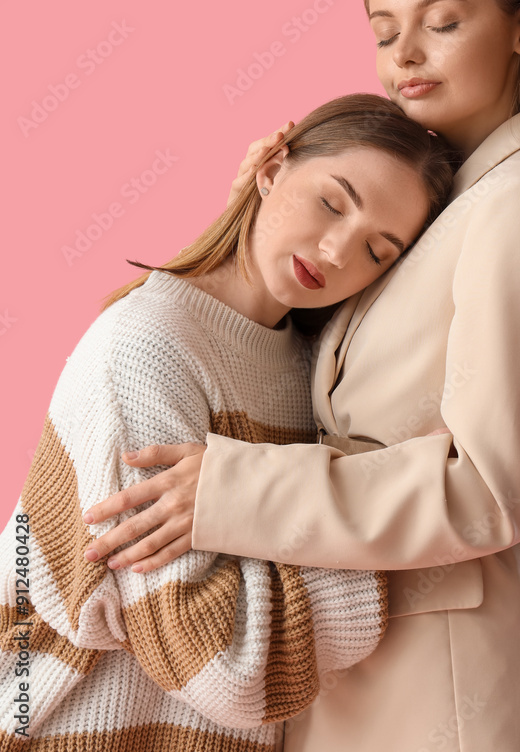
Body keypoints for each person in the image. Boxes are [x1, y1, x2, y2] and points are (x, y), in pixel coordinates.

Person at [80, 0, 520, 751]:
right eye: (384, 31)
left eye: (443, 22)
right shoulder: (442, 200)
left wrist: (232, 491)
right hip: (372, 666)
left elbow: (488, 488)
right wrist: (253, 222)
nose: (406, 55)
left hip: (452, 686)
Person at [0, 94, 455, 751]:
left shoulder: (314, 370)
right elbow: (220, 665)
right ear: (270, 168)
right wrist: (394, 535)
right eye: (331, 202)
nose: (335, 252)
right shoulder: (146, 351)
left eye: (376, 251)